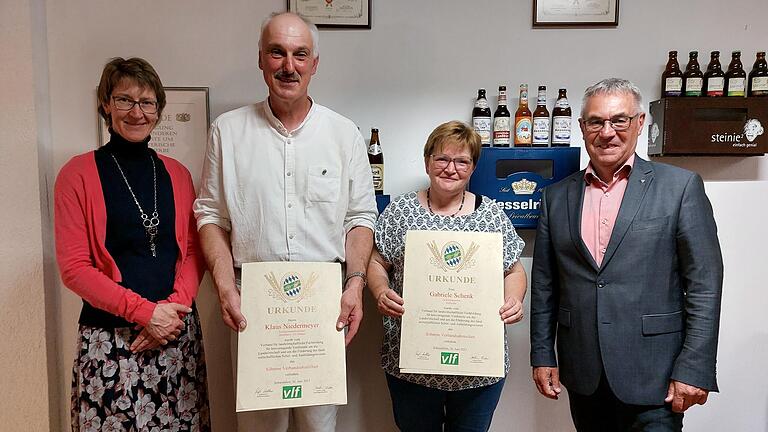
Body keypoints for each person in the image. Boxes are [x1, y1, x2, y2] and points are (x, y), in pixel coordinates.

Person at [193, 12, 377, 432]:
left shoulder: (343, 134)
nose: (288, 65)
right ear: (261, 59)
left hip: (322, 309)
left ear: (315, 63)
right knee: (260, 428)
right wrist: (225, 287)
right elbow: (210, 215)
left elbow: (361, 218)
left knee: (319, 426)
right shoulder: (228, 131)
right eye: (277, 52)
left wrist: (355, 284)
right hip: (254, 308)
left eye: (300, 54)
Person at [530, 78, 724, 431]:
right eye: (595, 122)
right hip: (584, 373)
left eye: (619, 120)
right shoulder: (556, 197)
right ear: (582, 127)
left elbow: (704, 285)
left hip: (656, 375)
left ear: (639, 123)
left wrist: (695, 367)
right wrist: (543, 354)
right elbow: (545, 285)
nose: (607, 132)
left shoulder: (680, 187)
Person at [55, 57, 210, 431]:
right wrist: (145, 314)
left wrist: (173, 309)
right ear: (106, 105)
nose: (136, 112)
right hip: (109, 343)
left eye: (147, 102)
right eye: (124, 100)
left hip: (175, 338)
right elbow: (75, 269)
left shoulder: (177, 173)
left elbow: (193, 250)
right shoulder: (76, 174)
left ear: (158, 109)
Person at [367, 121, 527, 432]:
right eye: (442, 158)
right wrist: (380, 291)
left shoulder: (491, 215)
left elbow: (514, 269)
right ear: (427, 161)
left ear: (473, 167)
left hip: (478, 368)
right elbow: (377, 262)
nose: (450, 168)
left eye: (462, 161)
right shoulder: (399, 211)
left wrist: (514, 299)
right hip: (412, 365)